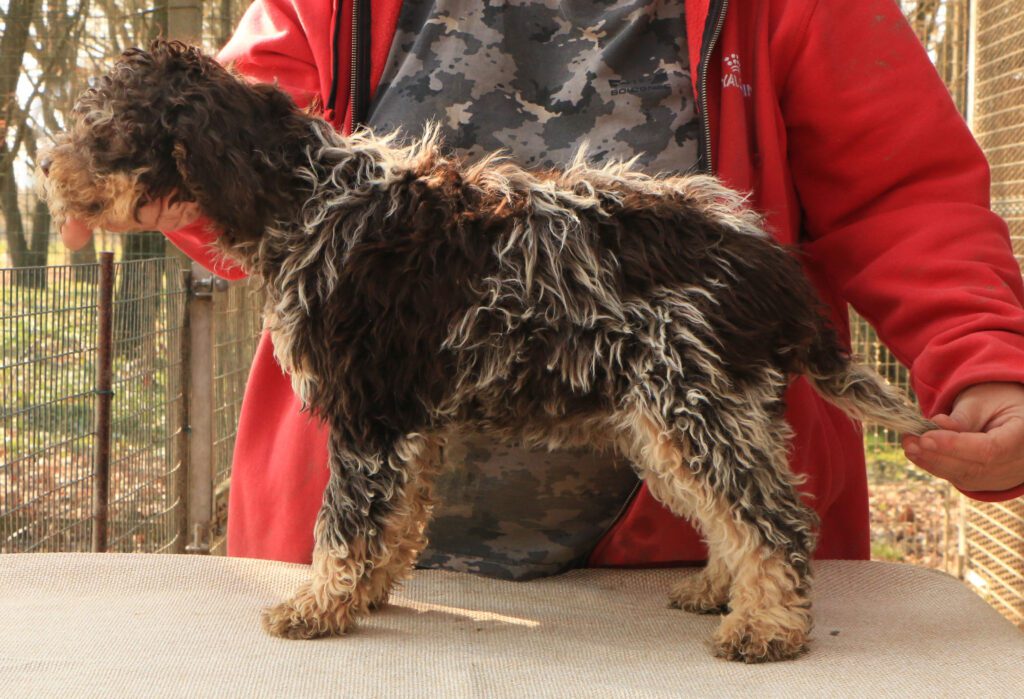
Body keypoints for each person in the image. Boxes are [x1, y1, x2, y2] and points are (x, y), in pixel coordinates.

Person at [61, 0, 1024, 577]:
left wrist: (984, 360)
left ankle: (753, 560)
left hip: (681, 565)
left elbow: (904, 193)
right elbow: (240, 164)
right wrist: (152, 188)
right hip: (376, 564)